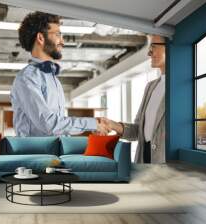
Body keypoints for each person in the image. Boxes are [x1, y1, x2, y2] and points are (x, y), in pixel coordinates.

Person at [11, 12, 109, 137]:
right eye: (58, 34)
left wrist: (90, 130)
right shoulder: (27, 78)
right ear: (41, 38)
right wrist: (91, 124)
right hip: (34, 155)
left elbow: (58, 129)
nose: (62, 41)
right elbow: (48, 124)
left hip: (53, 154)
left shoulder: (53, 79)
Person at [101, 35, 166, 164]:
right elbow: (137, 130)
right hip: (143, 159)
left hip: (165, 164)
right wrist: (113, 125)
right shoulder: (150, 87)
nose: (149, 52)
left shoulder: (179, 88)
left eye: (153, 46)